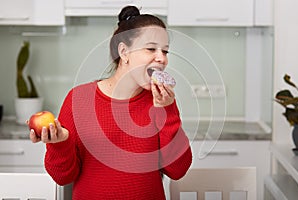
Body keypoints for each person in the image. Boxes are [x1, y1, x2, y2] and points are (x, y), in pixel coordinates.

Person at [29, 5, 192, 200]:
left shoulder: (161, 102)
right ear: (124, 52)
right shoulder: (78, 100)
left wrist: (168, 112)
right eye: (151, 49)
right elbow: (63, 177)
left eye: (165, 51)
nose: (162, 59)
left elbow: (177, 170)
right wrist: (59, 143)